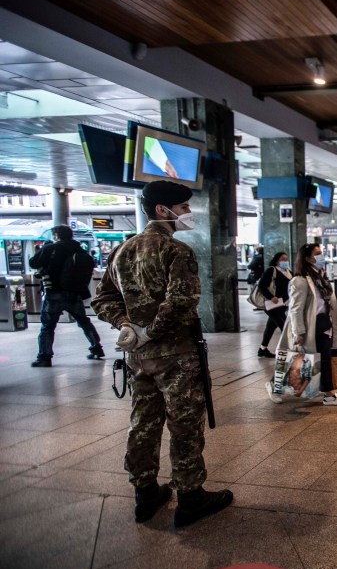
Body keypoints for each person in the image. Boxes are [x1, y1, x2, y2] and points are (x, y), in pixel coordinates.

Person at [92, 180, 233, 527]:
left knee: (143, 422)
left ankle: (145, 494)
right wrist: (149, 332)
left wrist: (127, 327)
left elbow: (102, 299)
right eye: (183, 207)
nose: (188, 213)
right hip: (176, 357)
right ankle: (190, 497)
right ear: (162, 210)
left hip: (138, 359)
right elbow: (182, 302)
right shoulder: (176, 251)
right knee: (184, 424)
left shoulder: (123, 250)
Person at [267, 243, 337, 405]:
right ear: (307, 258)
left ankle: (329, 394)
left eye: (321, 253)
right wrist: (299, 332)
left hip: (324, 323)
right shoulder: (300, 280)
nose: (321, 256)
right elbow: (295, 309)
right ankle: (273, 385)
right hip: (308, 325)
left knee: (325, 358)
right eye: (317, 254)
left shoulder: (321, 277)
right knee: (295, 359)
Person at [29, 225, 104, 367]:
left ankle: (44, 357)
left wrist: (43, 250)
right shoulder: (79, 249)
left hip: (54, 292)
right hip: (74, 293)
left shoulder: (50, 249)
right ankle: (97, 348)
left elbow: (33, 263)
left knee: (47, 326)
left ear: (57, 235)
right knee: (83, 321)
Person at [256, 251, 292, 358]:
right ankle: (286, 352)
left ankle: (262, 349)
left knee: (271, 327)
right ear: (277, 260)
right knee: (284, 327)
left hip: (282, 305)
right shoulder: (272, 270)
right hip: (272, 305)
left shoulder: (289, 272)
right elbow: (262, 286)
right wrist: (271, 297)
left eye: (286, 259)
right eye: (282, 259)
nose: (285, 261)